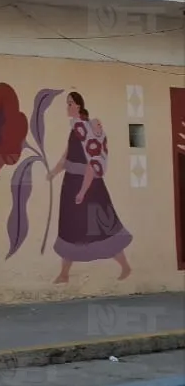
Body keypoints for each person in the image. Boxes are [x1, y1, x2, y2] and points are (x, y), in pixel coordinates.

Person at [46, 91, 133, 283]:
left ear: (78, 105)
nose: (67, 107)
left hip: (90, 188)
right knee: (70, 228)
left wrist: (83, 191)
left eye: (70, 103)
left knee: (102, 227)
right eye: (67, 103)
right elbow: (66, 157)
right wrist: (53, 172)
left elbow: (93, 163)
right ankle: (64, 274)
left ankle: (125, 266)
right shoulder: (74, 130)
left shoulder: (88, 130)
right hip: (71, 185)